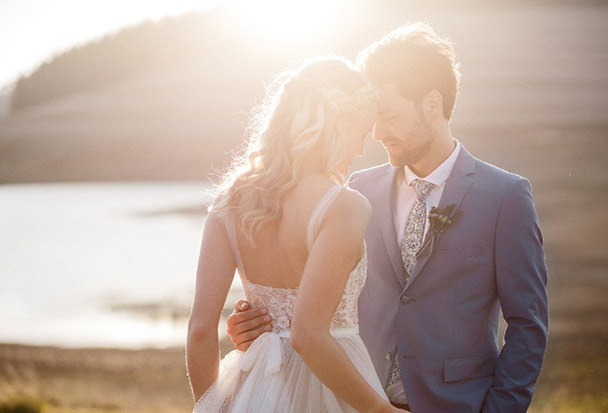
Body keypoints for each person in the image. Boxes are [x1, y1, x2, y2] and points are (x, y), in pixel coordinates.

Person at [227, 23, 549, 412]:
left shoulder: (504, 196)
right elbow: (306, 308)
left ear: (433, 105)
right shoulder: (351, 193)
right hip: (356, 401)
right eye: (372, 118)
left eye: (390, 115)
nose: (377, 132)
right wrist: (255, 326)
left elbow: (528, 325)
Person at [186, 55, 407, 412]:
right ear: (335, 125)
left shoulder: (229, 204)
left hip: (255, 391)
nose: (361, 150)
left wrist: (211, 406)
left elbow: (199, 330)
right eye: (361, 133)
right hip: (335, 395)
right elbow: (308, 335)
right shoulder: (344, 206)